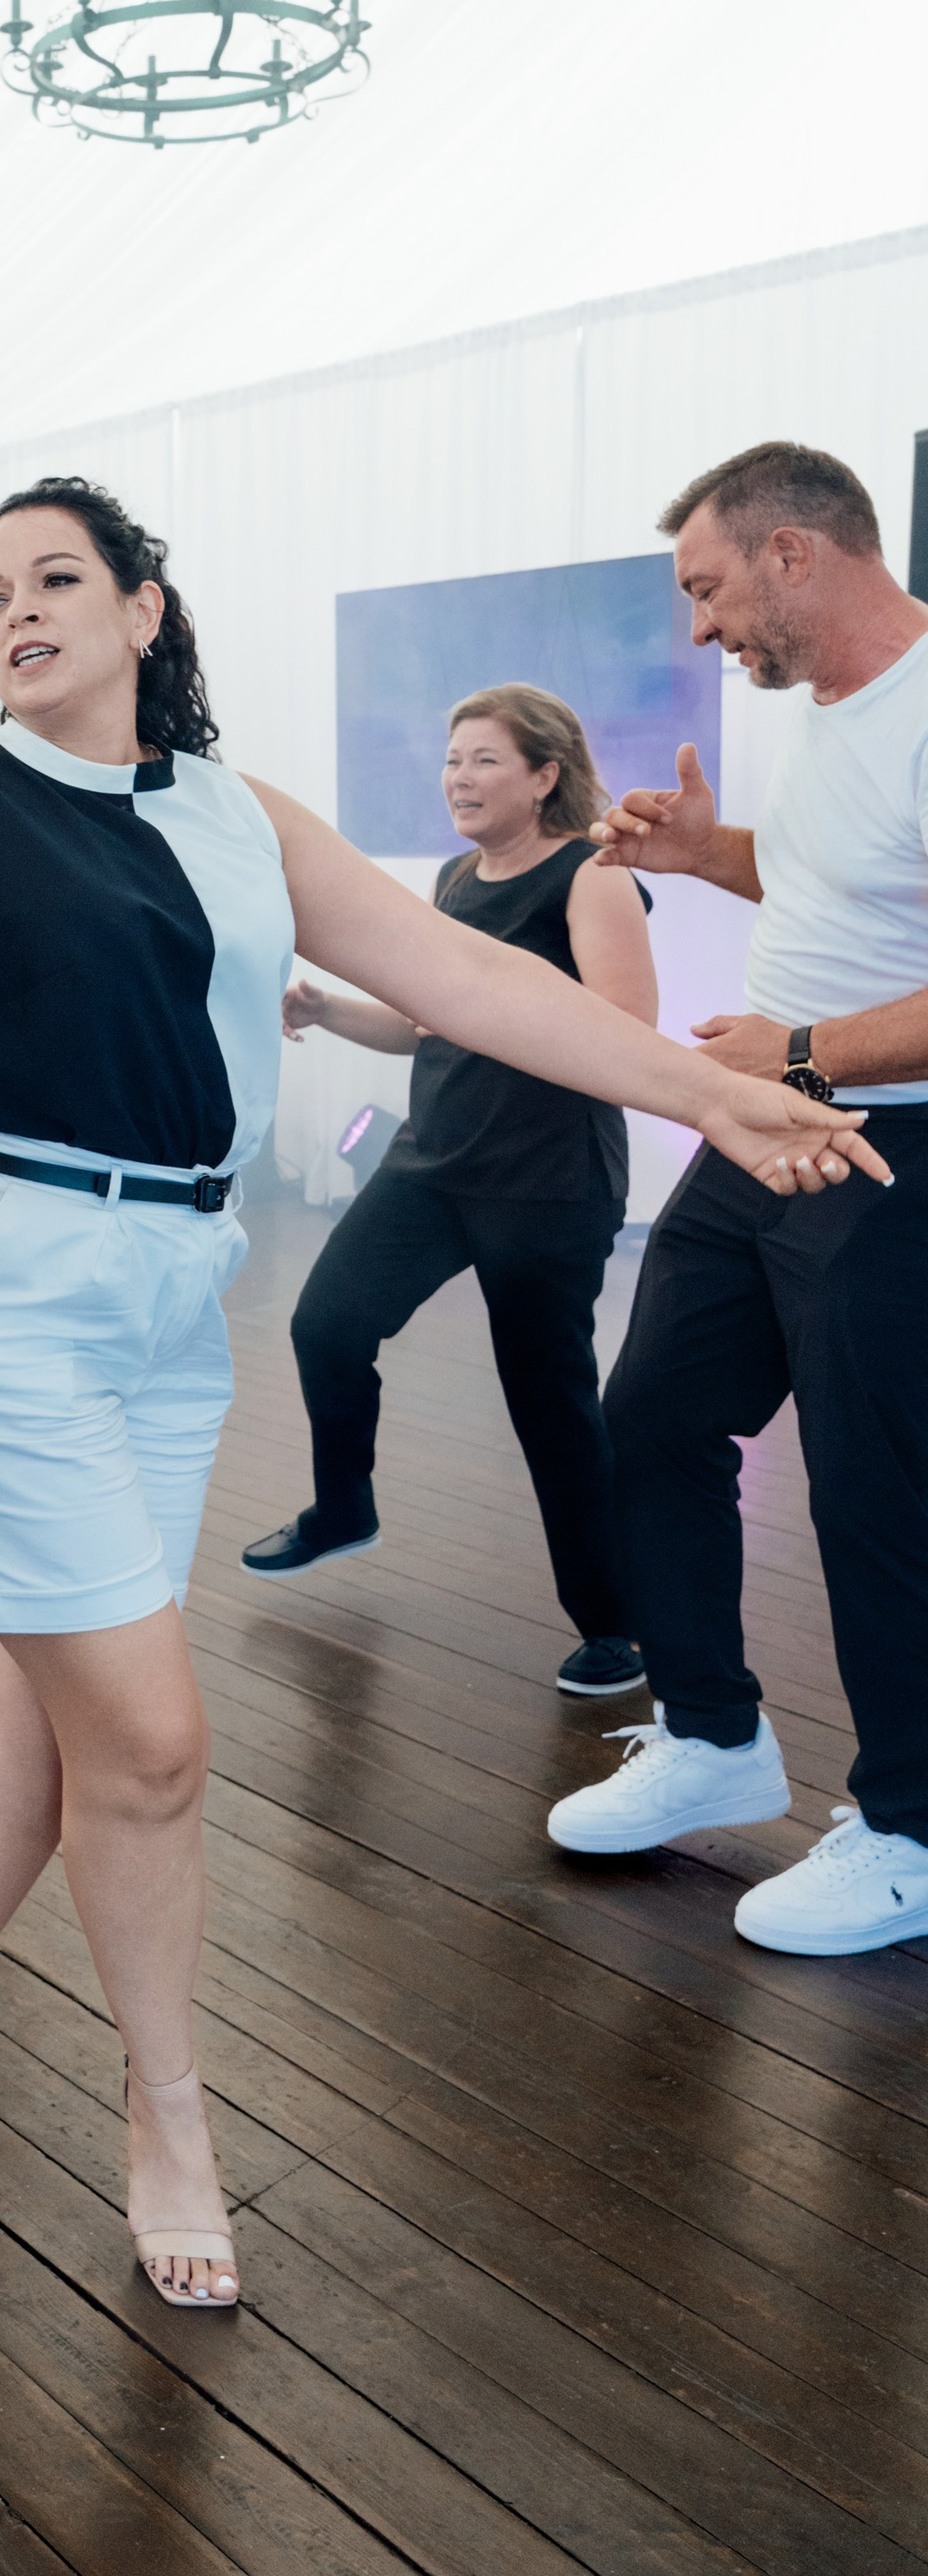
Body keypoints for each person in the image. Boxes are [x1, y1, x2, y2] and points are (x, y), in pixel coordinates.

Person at [0, 472, 880, 2323]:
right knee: (149, 1745)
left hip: (167, 1297)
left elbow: (470, 979)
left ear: (144, 607)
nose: (17, 613)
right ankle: (170, 2119)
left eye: (55, 577)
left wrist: (712, 1091)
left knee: (50, 1730)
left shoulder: (240, 816)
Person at [545, 442, 928, 1952]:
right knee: (648, 1415)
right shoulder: (833, 710)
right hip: (768, 1122)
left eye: (708, 589)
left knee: (875, 1486)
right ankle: (713, 1735)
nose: (701, 628)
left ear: (793, 553)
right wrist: (715, 857)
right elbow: (852, 881)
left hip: (890, 1143)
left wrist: (807, 1051)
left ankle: (911, 1828)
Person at [244, 683, 655, 1696]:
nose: (458, 779)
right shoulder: (453, 878)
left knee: (547, 1401)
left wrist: (489, 1009)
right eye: (451, 760)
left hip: (548, 1180)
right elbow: (425, 1020)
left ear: (543, 775)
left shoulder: (591, 875)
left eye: (484, 760)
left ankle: (614, 1626)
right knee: (326, 1325)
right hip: (433, 1163)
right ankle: (343, 1508)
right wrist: (330, 1009)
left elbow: (627, 1033)